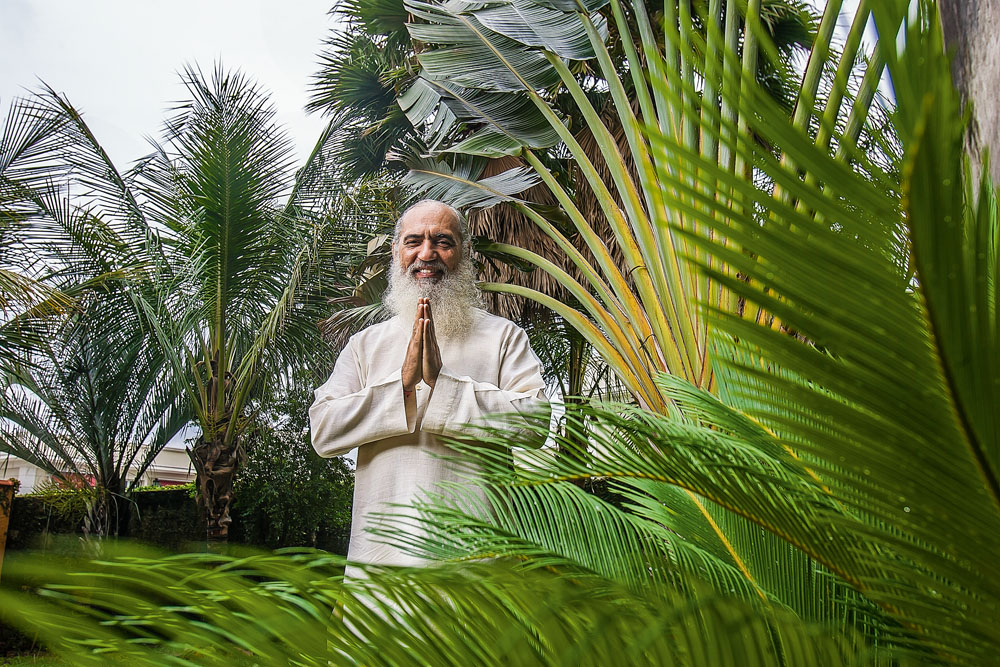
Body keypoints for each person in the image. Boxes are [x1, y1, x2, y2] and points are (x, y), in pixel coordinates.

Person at [310, 199, 549, 567]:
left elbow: (535, 421)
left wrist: (443, 384)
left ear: (464, 253)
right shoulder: (366, 344)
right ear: (395, 252)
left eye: (443, 241)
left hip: (479, 563)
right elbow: (324, 430)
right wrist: (402, 386)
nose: (427, 253)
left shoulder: (503, 337)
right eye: (413, 241)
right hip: (382, 562)